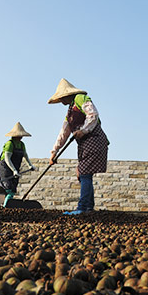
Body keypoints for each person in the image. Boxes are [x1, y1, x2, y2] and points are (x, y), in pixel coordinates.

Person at [48, 78, 109, 215]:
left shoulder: (81, 98)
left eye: (61, 98)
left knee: (84, 173)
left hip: (94, 139)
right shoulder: (70, 112)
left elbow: (92, 115)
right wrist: (54, 151)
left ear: (66, 95)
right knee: (83, 174)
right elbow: (64, 132)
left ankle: (83, 207)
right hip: (84, 144)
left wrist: (84, 130)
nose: (61, 101)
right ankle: (88, 208)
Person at [0, 122, 36, 207]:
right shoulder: (10, 144)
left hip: (15, 168)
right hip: (6, 168)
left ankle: (6, 205)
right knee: (8, 188)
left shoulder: (22, 145)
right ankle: (4, 207)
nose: (21, 137)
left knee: (13, 189)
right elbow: (7, 159)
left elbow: (25, 155)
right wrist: (14, 170)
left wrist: (30, 165)